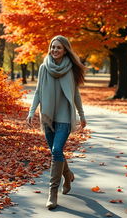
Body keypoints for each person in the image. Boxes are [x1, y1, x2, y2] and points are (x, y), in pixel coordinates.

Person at [26, 35, 87, 210]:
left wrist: (81, 115)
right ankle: (67, 175)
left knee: (56, 150)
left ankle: (52, 193)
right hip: (47, 116)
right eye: (53, 47)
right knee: (56, 152)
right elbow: (38, 91)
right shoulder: (43, 67)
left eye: (59, 48)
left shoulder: (71, 69)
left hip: (64, 116)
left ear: (65, 50)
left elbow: (76, 94)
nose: (55, 50)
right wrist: (31, 111)